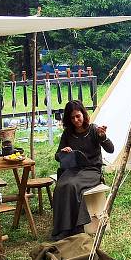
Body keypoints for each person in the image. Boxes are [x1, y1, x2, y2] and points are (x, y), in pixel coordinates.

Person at [52, 99, 114, 241]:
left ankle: (75, 228)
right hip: (74, 169)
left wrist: (102, 137)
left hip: (92, 171)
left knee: (73, 186)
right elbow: (57, 156)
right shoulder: (68, 133)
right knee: (61, 186)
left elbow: (111, 149)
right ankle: (62, 228)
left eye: (78, 116)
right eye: (72, 117)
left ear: (83, 115)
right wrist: (64, 151)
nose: (75, 120)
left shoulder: (93, 129)